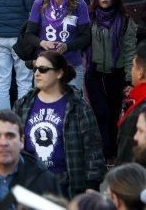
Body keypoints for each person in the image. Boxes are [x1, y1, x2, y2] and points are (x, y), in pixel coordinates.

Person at [13, 51, 104, 197]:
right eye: (35, 68)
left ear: (59, 73)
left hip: (66, 188)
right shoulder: (22, 105)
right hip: (30, 186)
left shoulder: (78, 107)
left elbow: (93, 150)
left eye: (43, 69)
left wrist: (92, 186)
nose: (36, 73)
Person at [20, 0, 92, 90]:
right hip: (45, 66)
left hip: (71, 66)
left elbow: (86, 37)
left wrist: (67, 46)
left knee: (71, 108)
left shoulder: (79, 5)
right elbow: (28, 35)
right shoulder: (39, 3)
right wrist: (42, 43)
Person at [87, 0, 137, 160]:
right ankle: (103, 154)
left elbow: (131, 50)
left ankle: (112, 153)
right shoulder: (90, 17)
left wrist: (130, 80)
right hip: (94, 73)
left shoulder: (124, 20)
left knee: (114, 113)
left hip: (117, 74)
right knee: (101, 113)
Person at [117, 42, 146, 165]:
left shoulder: (139, 113)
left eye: (133, 66)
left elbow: (126, 157)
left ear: (141, 72)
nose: (132, 70)